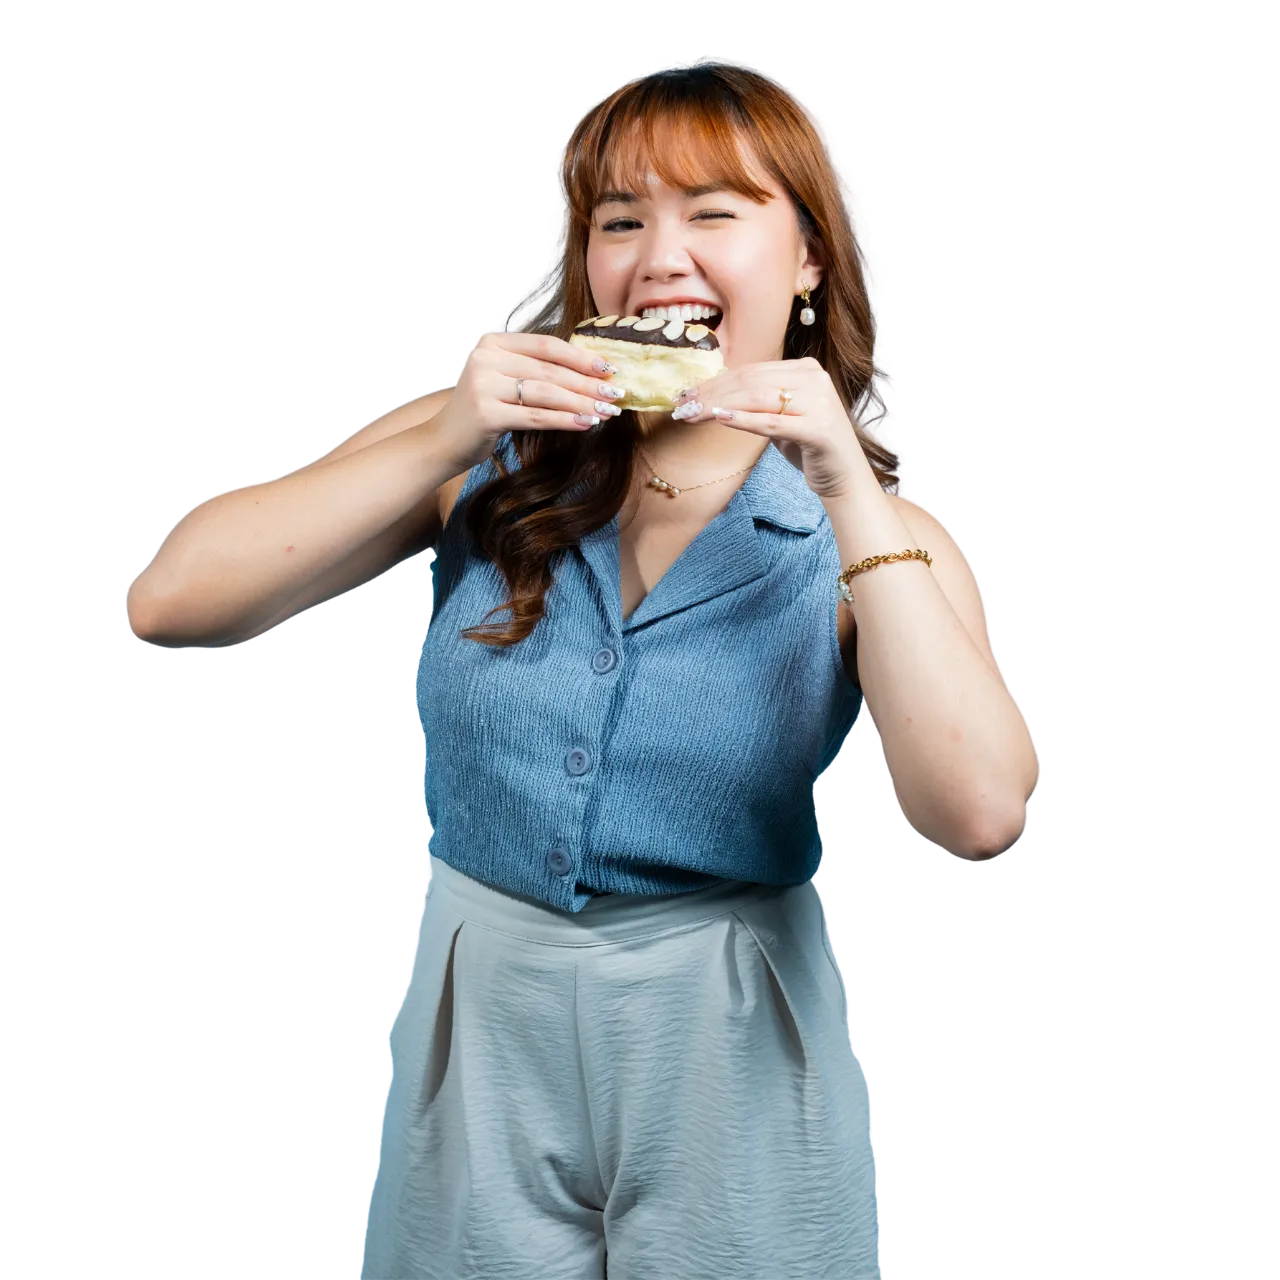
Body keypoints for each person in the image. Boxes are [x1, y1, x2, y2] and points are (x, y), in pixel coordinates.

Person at [362, 59, 884, 1279]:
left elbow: (977, 808)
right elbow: (167, 595)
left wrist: (845, 483)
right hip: (477, 1002)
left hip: (731, 1023)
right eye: (618, 221)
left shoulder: (872, 527)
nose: (659, 258)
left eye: (712, 211)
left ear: (808, 258)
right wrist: (448, 421)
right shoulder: (488, 459)